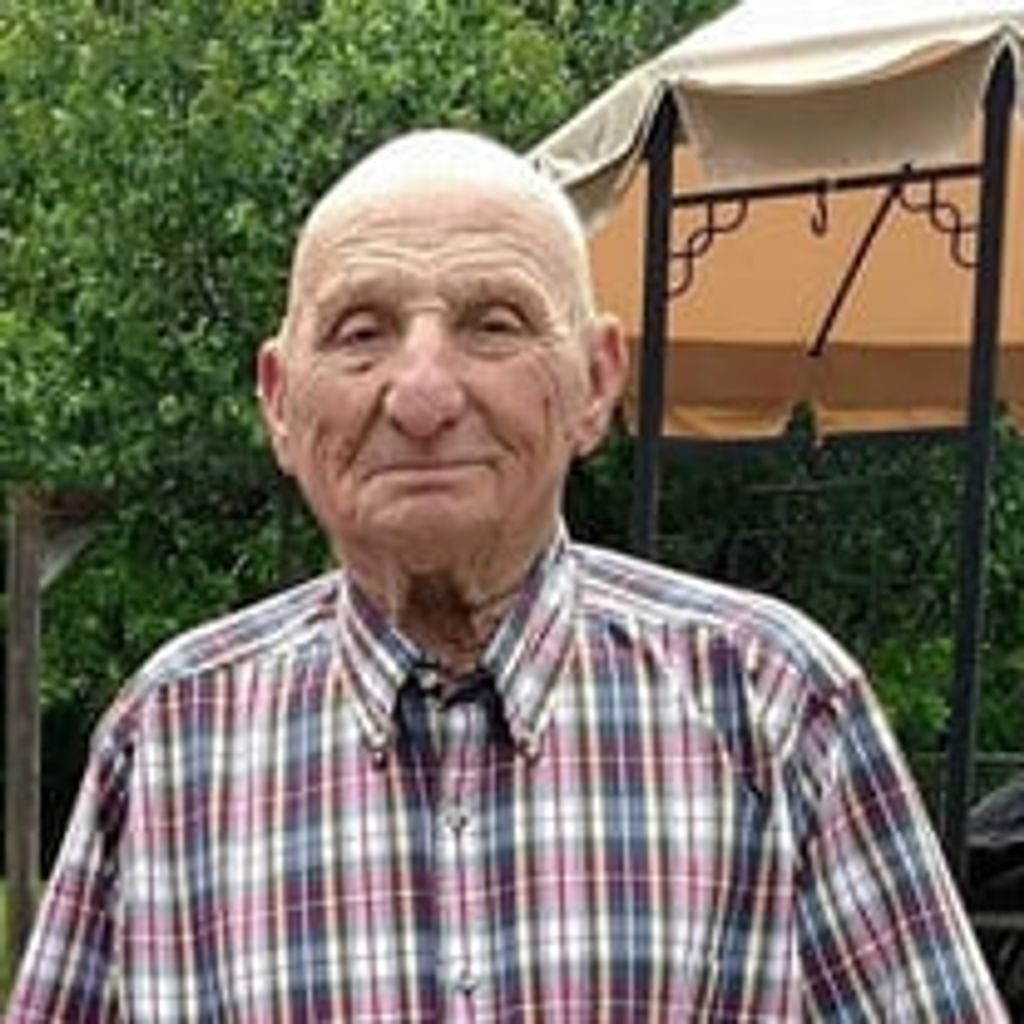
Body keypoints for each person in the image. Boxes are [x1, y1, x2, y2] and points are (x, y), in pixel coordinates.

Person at [5, 130, 1008, 1023]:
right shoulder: (169, 740)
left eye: (493, 323)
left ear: (596, 382)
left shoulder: (774, 705)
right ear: (279, 400)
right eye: (361, 331)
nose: (423, 394)